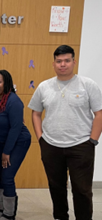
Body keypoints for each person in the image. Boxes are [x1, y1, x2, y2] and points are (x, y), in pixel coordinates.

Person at [28, 45, 102, 220]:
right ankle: (60, 217)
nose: (63, 64)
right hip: (51, 146)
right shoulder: (44, 86)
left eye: (67, 60)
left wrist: (92, 140)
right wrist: (41, 138)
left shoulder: (88, 85)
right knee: (56, 187)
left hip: (81, 146)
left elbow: (99, 113)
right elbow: (36, 113)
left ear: (74, 62)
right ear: (53, 64)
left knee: (82, 190)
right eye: (59, 61)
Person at [0, 70, 31, 220]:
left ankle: (9, 215)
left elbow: (16, 128)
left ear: (7, 83)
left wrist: (7, 151)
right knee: (1, 176)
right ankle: (2, 209)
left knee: (7, 176)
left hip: (18, 141)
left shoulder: (14, 101)